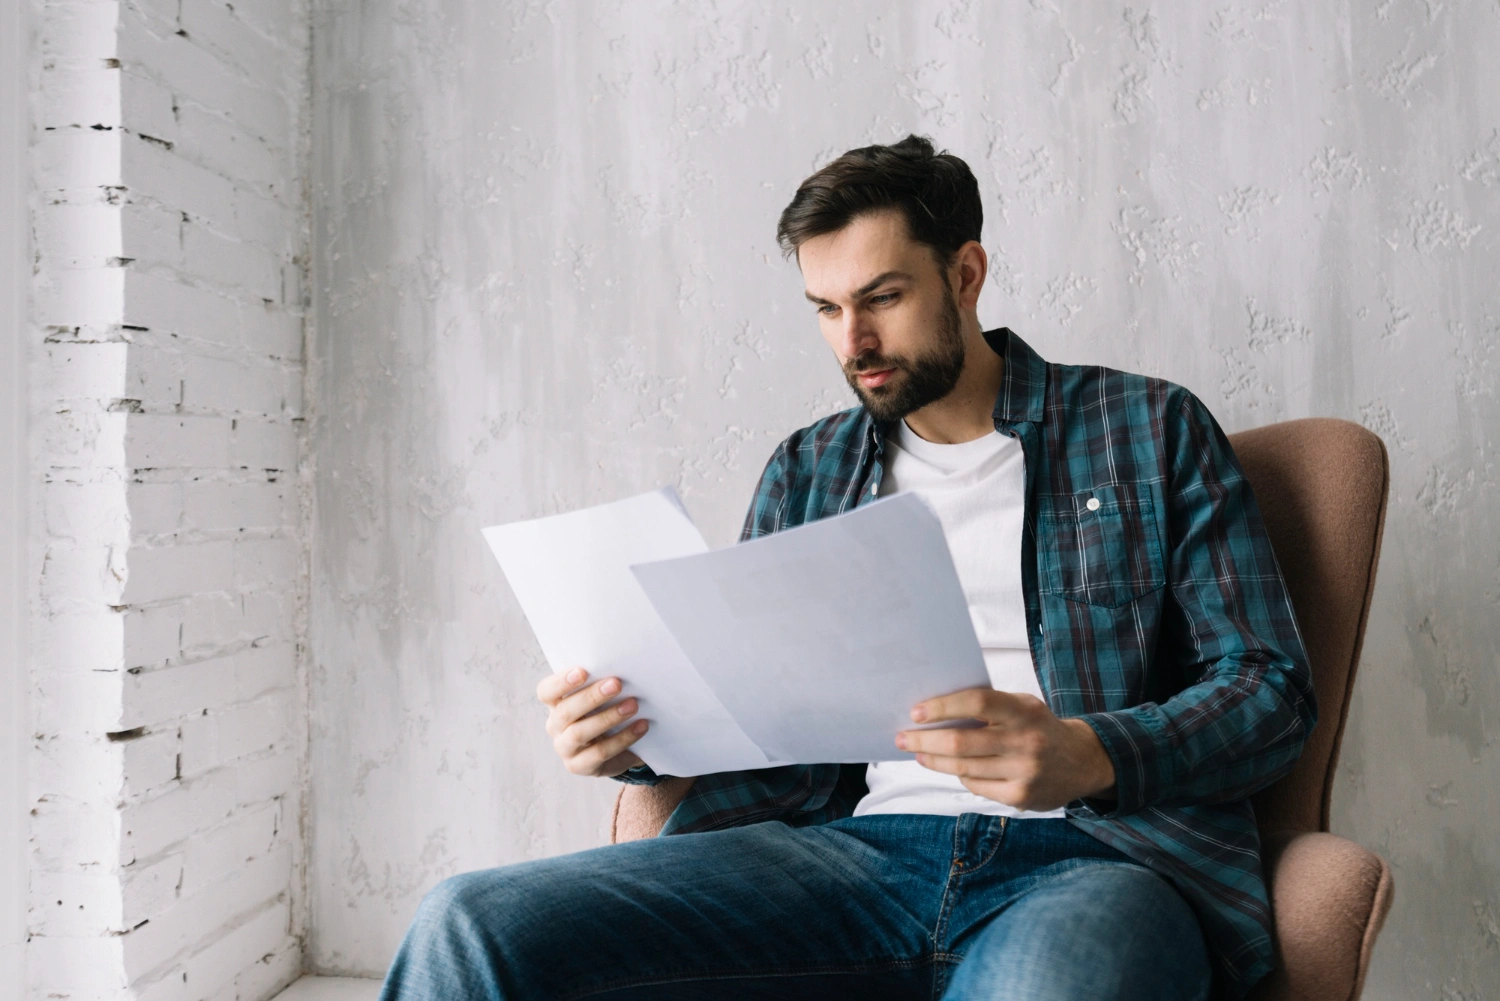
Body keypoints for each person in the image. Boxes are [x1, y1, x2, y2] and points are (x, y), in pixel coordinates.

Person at [378, 135, 1316, 1001]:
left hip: (1097, 860)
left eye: (882, 298)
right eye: (826, 308)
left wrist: (1093, 752)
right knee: (467, 925)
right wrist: (636, 739)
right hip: (853, 858)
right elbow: (756, 712)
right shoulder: (808, 468)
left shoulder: (1146, 430)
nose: (852, 341)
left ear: (967, 274)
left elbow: (1271, 688)